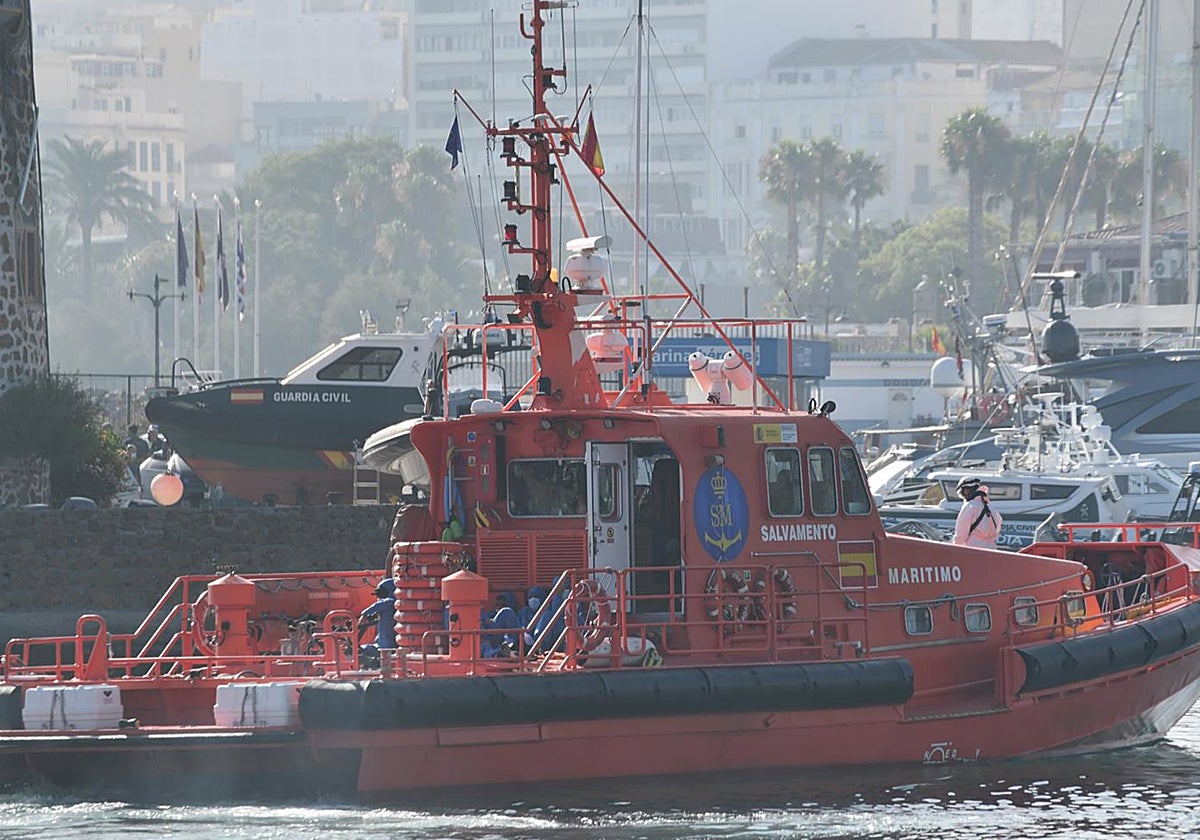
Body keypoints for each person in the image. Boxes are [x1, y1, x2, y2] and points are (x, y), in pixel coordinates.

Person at [953, 476, 1002, 548]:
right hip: (991, 548)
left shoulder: (969, 506)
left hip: (973, 548)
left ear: (965, 491)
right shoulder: (991, 508)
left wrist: (955, 548)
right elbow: (997, 530)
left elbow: (961, 535)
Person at [358, 578, 397, 666]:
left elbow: (379, 605)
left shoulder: (390, 602)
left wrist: (363, 615)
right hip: (383, 641)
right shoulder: (390, 606)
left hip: (387, 644)